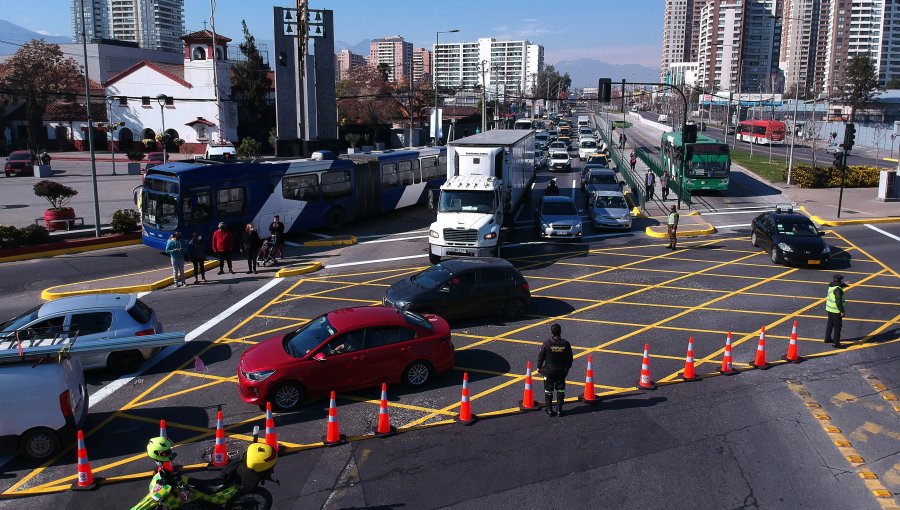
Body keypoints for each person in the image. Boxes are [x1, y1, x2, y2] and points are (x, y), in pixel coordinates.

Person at [536, 323, 573, 417]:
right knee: (560, 390)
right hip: (561, 371)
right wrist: (566, 369)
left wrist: (539, 367)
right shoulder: (565, 344)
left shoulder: (547, 343)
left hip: (549, 371)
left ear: (551, 332)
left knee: (548, 390)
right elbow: (570, 359)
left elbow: (541, 356)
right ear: (560, 332)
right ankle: (559, 410)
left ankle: (549, 409)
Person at [824, 274, 847, 349]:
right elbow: (838, 301)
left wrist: (845, 284)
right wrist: (842, 311)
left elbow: (838, 286)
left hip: (829, 309)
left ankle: (827, 339)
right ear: (840, 280)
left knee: (830, 324)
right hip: (836, 310)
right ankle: (836, 343)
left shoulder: (831, 285)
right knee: (837, 327)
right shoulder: (838, 290)